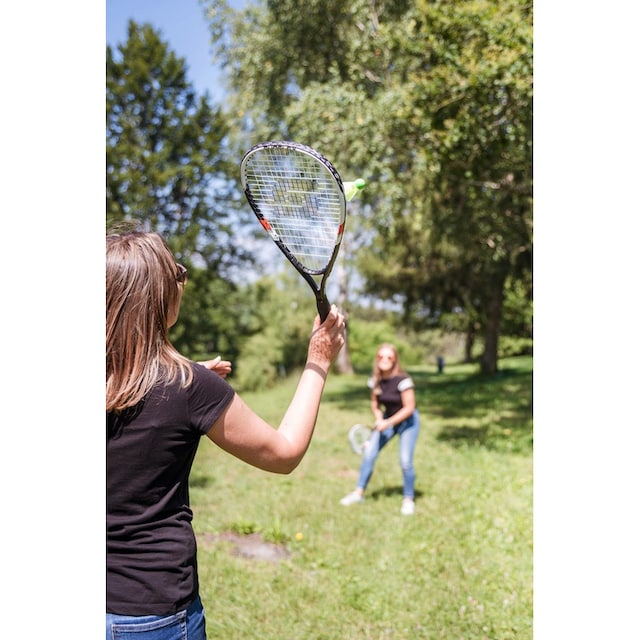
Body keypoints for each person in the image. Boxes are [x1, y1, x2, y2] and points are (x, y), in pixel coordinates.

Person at [106, 229, 346, 640]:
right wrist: (318, 360)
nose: (183, 281)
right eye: (178, 273)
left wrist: (183, 385)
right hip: (153, 615)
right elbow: (283, 453)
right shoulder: (188, 388)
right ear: (162, 295)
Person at [340, 343, 420, 515]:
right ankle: (358, 493)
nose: (384, 360)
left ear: (395, 360)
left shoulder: (403, 381)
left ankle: (408, 499)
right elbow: (375, 403)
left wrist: (388, 422)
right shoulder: (375, 381)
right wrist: (378, 418)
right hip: (386, 420)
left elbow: (409, 408)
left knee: (405, 461)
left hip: (408, 422)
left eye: (389, 357)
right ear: (376, 359)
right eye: (381, 357)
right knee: (369, 454)